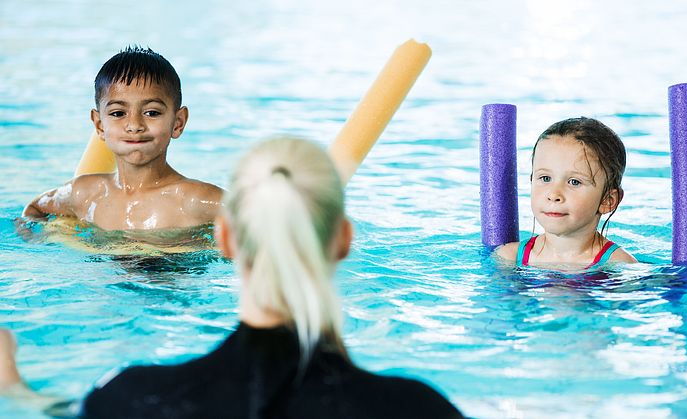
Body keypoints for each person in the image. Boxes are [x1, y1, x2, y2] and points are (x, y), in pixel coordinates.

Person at [1, 137, 465, 419]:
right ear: (343, 239)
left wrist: (13, 387)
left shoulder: (131, 398)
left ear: (224, 238)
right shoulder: (417, 410)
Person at [23, 46, 223, 230]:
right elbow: (34, 211)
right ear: (99, 125)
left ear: (178, 122)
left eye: (152, 112)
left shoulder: (197, 200)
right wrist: (58, 237)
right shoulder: (84, 194)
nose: (134, 125)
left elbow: (253, 219)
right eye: (118, 113)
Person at [496, 117, 637, 268]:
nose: (554, 195)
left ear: (607, 200)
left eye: (574, 182)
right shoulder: (508, 258)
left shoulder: (618, 265)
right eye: (545, 178)